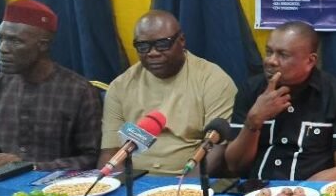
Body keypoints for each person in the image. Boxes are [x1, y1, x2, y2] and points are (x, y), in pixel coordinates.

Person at [223, 22, 336, 181]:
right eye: (269, 52)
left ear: (310, 61)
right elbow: (234, 165)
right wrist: (254, 121)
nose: (271, 61)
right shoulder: (251, 91)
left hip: (311, 192)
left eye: (283, 55)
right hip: (256, 190)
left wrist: (298, 191)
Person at [100, 10, 236, 175]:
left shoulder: (213, 80)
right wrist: (118, 187)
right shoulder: (120, 86)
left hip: (187, 180)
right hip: (134, 182)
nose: (153, 53)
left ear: (182, 40)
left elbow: (216, 149)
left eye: (163, 44)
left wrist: (183, 187)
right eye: (143, 46)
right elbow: (110, 152)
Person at [0, 0, 102, 171]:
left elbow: (91, 159)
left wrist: (31, 167)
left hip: (60, 186)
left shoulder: (78, 91)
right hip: (4, 184)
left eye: (15, 41)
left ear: (43, 45)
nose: (2, 48)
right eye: (0, 38)